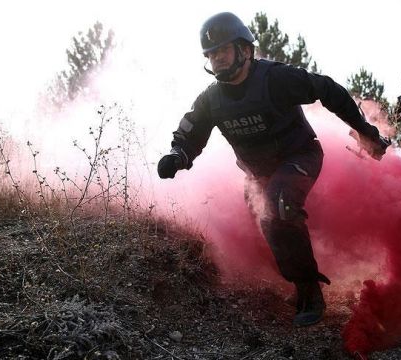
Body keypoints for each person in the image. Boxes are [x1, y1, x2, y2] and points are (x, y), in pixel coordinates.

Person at [157, 12, 389, 327]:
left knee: (278, 204)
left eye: (224, 50)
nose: (218, 59)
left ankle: (310, 290)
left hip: (301, 154)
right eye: (212, 55)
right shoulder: (211, 99)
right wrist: (178, 154)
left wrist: (364, 131)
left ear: (246, 50)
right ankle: (297, 280)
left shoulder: (276, 79)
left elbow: (328, 89)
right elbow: (190, 131)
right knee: (265, 223)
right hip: (257, 173)